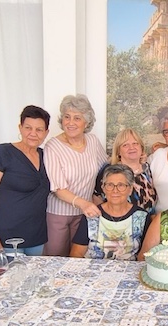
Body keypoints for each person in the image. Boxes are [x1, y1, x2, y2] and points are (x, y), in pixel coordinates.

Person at [0, 106, 51, 255]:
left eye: (39, 130)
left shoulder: (47, 157)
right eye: (28, 128)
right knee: (10, 277)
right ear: (20, 128)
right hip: (8, 236)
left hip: (37, 235)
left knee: (34, 277)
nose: (33, 133)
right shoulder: (3, 152)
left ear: (46, 133)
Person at [44, 94, 108, 256]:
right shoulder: (53, 146)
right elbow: (58, 188)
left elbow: (106, 168)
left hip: (85, 214)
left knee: (80, 261)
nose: (70, 122)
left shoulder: (93, 141)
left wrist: (134, 158)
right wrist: (84, 204)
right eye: (67, 117)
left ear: (86, 122)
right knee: (55, 260)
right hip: (58, 215)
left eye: (77, 118)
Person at [70, 164, 150, 260]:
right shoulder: (92, 215)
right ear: (103, 188)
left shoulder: (142, 217)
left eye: (121, 185)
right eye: (110, 185)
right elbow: (76, 253)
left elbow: (146, 255)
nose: (115, 190)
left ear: (130, 189)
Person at [94, 128, 157, 214]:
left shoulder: (147, 168)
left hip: (149, 222)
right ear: (118, 151)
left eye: (135, 143)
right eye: (125, 145)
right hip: (120, 225)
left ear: (141, 148)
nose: (131, 148)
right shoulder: (109, 171)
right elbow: (97, 198)